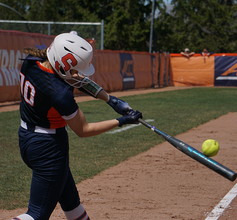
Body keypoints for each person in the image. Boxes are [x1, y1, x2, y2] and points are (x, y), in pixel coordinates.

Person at [11, 33, 142, 220]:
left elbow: (74, 78)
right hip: (49, 148)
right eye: (74, 69)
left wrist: (109, 99)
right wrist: (122, 121)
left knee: (71, 203)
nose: (78, 73)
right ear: (62, 66)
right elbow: (83, 130)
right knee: (37, 215)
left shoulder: (32, 61)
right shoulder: (60, 93)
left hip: (28, 139)